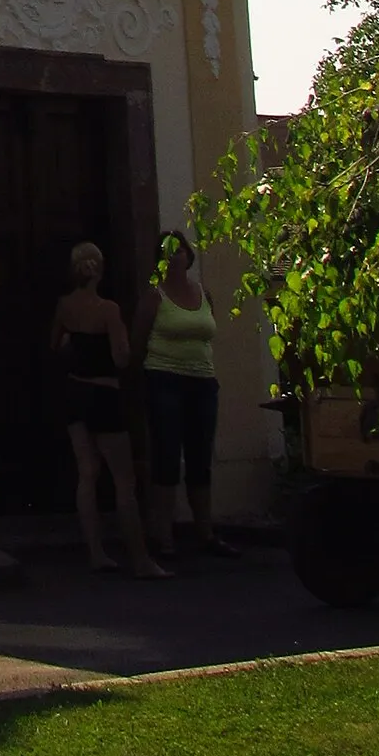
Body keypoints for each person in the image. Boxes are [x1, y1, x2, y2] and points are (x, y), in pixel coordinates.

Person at [50, 241, 167, 577]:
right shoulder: (109, 310)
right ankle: (141, 559)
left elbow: (55, 345)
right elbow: (121, 357)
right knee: (123, 479)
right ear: (99, 269)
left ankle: (96, 552)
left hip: (75, 392)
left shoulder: (64, 306)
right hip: (104, 394)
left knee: (87, 473)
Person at [132, 230, 240, 560]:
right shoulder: (155, 297)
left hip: (202, 382)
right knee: (166, 458)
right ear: (161, 260)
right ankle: (162, 536)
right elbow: (138, 341)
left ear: (188, 255)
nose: (176, 255)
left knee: (199, 458)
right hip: (164, 379)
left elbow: (208, 332)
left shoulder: (203, 294)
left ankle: (205, 532)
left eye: (180, 249)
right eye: (169, 251)